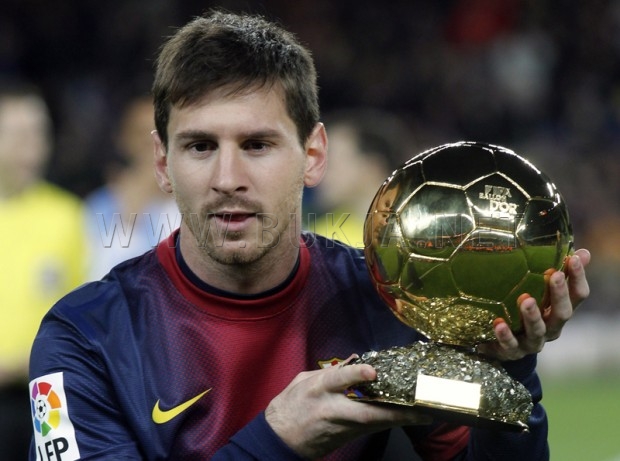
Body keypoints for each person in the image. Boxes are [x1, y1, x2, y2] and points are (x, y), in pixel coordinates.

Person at [28, 10, 591, 460]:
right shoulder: (82, 340)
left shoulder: (396, 304)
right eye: (200, 147)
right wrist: (278, 439)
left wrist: (507, 370)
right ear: (161, 162)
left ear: (313, 155)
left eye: (257, 145)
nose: (228, 180)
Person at [0, 82, 86, 461]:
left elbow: (80, 315)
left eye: (40, 132)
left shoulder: (66, 215)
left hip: (44, 394)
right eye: (19, 134)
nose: (33, 145)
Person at [84, 94, 178, 280]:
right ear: (123, 140)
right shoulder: (99, 206)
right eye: (141, 134)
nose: (151, 144)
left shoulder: (198, 200)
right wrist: (128, 220)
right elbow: (99, 283)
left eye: (160, 132)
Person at [311, 108, 415, 247]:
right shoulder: (322, 239)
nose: (317, 172)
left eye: (331, 163)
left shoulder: (424, 234)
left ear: (371, 167)